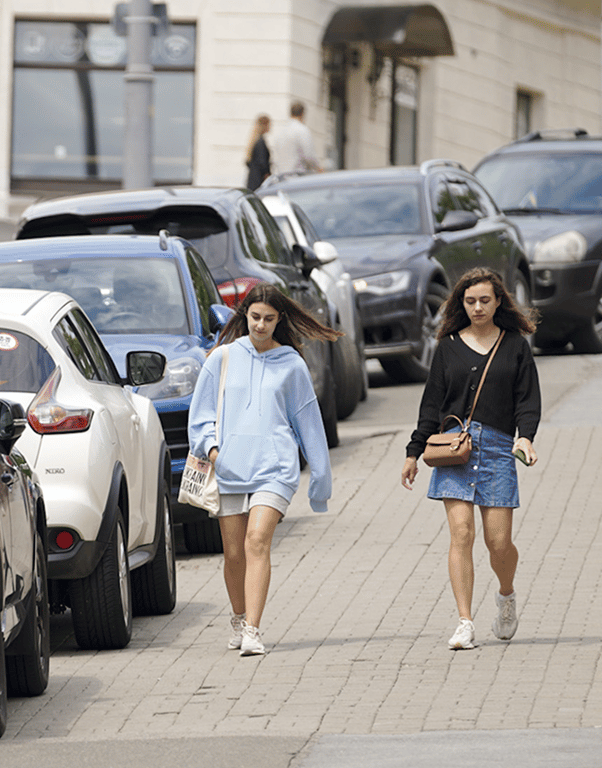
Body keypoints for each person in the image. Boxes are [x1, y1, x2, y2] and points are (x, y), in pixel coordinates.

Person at [187, 283, 342, 656]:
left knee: (257, 541)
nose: (260, 325)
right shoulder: (221, 358)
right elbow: (200, 415)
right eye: (255, 317)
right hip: (229, 469)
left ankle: (253, 630)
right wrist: (212, 448)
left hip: (275, 468)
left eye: (269, 319)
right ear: (245, 316)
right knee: (234, 553)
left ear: (279, 320)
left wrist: (320, 477)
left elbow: (308, 421)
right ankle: (238, 617)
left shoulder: (291, 365)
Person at [400, 267, 541, 650]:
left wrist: (525, 438)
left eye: (484, 300)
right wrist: (414, 452)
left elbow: (528, 401)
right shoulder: (448, 346)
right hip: (454, 451)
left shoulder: (514, 345)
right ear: (461, 303)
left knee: (499, 544)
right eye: (470, 301)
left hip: (496, 449)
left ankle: (506, 594)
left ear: (498, 302)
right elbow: (431, 404)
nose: (477, 307)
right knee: (461, 533)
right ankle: (465, 621)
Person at [270, 101, 323, 176]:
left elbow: (275, 156)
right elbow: (309, 155)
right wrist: (318, 168)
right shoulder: (302, 130)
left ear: (290, 113)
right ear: (302, 114)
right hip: (297, 176)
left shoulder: (281, 132)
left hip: (281, 176)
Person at [245, 114, 272, 190]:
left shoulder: (254, 140)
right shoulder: (261, 142)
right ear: (265, 125)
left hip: (253, 179)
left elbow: (248, 162)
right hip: (259, 181)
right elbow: (262, 162)